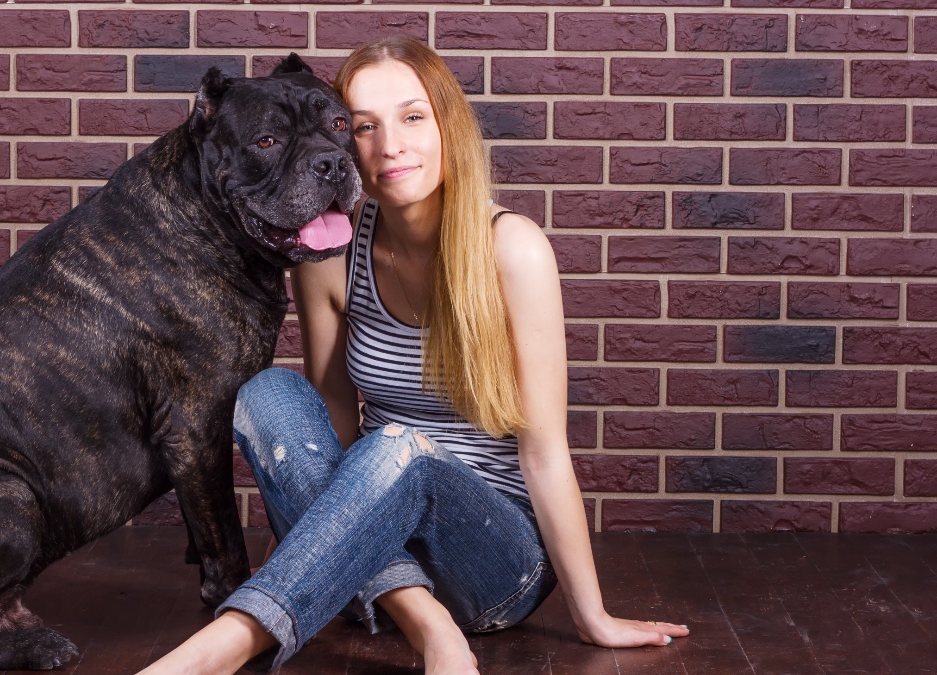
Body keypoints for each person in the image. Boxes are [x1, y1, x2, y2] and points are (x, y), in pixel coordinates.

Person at [140, 35, 689, 675]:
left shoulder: (512, 248)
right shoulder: (332, 251)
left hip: (493, 564)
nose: (390, 145)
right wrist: (298, 554)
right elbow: (331, 422)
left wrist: (592, 616)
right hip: (369, 546)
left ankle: (223, 646)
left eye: (412, 116)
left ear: (445, 124)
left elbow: (544, 454)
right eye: (364, 127)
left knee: (402, 444)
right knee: (269, 395)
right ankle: (427, 625)